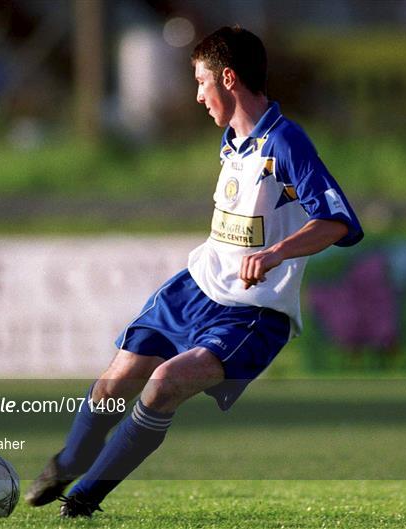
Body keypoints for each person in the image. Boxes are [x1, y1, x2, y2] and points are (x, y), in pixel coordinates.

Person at [25, 25, 363, 518]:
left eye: (202, 82)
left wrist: (275, 254)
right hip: (194, 288)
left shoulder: (285, 142)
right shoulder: (233, 141)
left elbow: (338, 221)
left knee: (164, 384)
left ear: (228, 78)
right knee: (115, 381)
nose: (198, 95)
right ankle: (68, 462)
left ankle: (83, 499)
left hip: (252, 310)